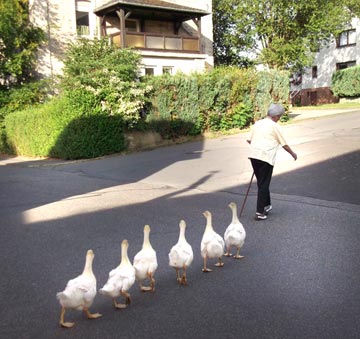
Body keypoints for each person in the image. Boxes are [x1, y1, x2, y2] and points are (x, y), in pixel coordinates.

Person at [247, 103, 297, 221]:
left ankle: (266, 205)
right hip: (266, 157)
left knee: (262, 182)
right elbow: (284, 144)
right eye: (279, 116)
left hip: (253, 156)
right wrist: (293, 154)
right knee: (264, 184)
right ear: (275, 116)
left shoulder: (258, 123)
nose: (279, 119)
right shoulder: (275, 126)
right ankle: (259, 212)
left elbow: (249, 140)